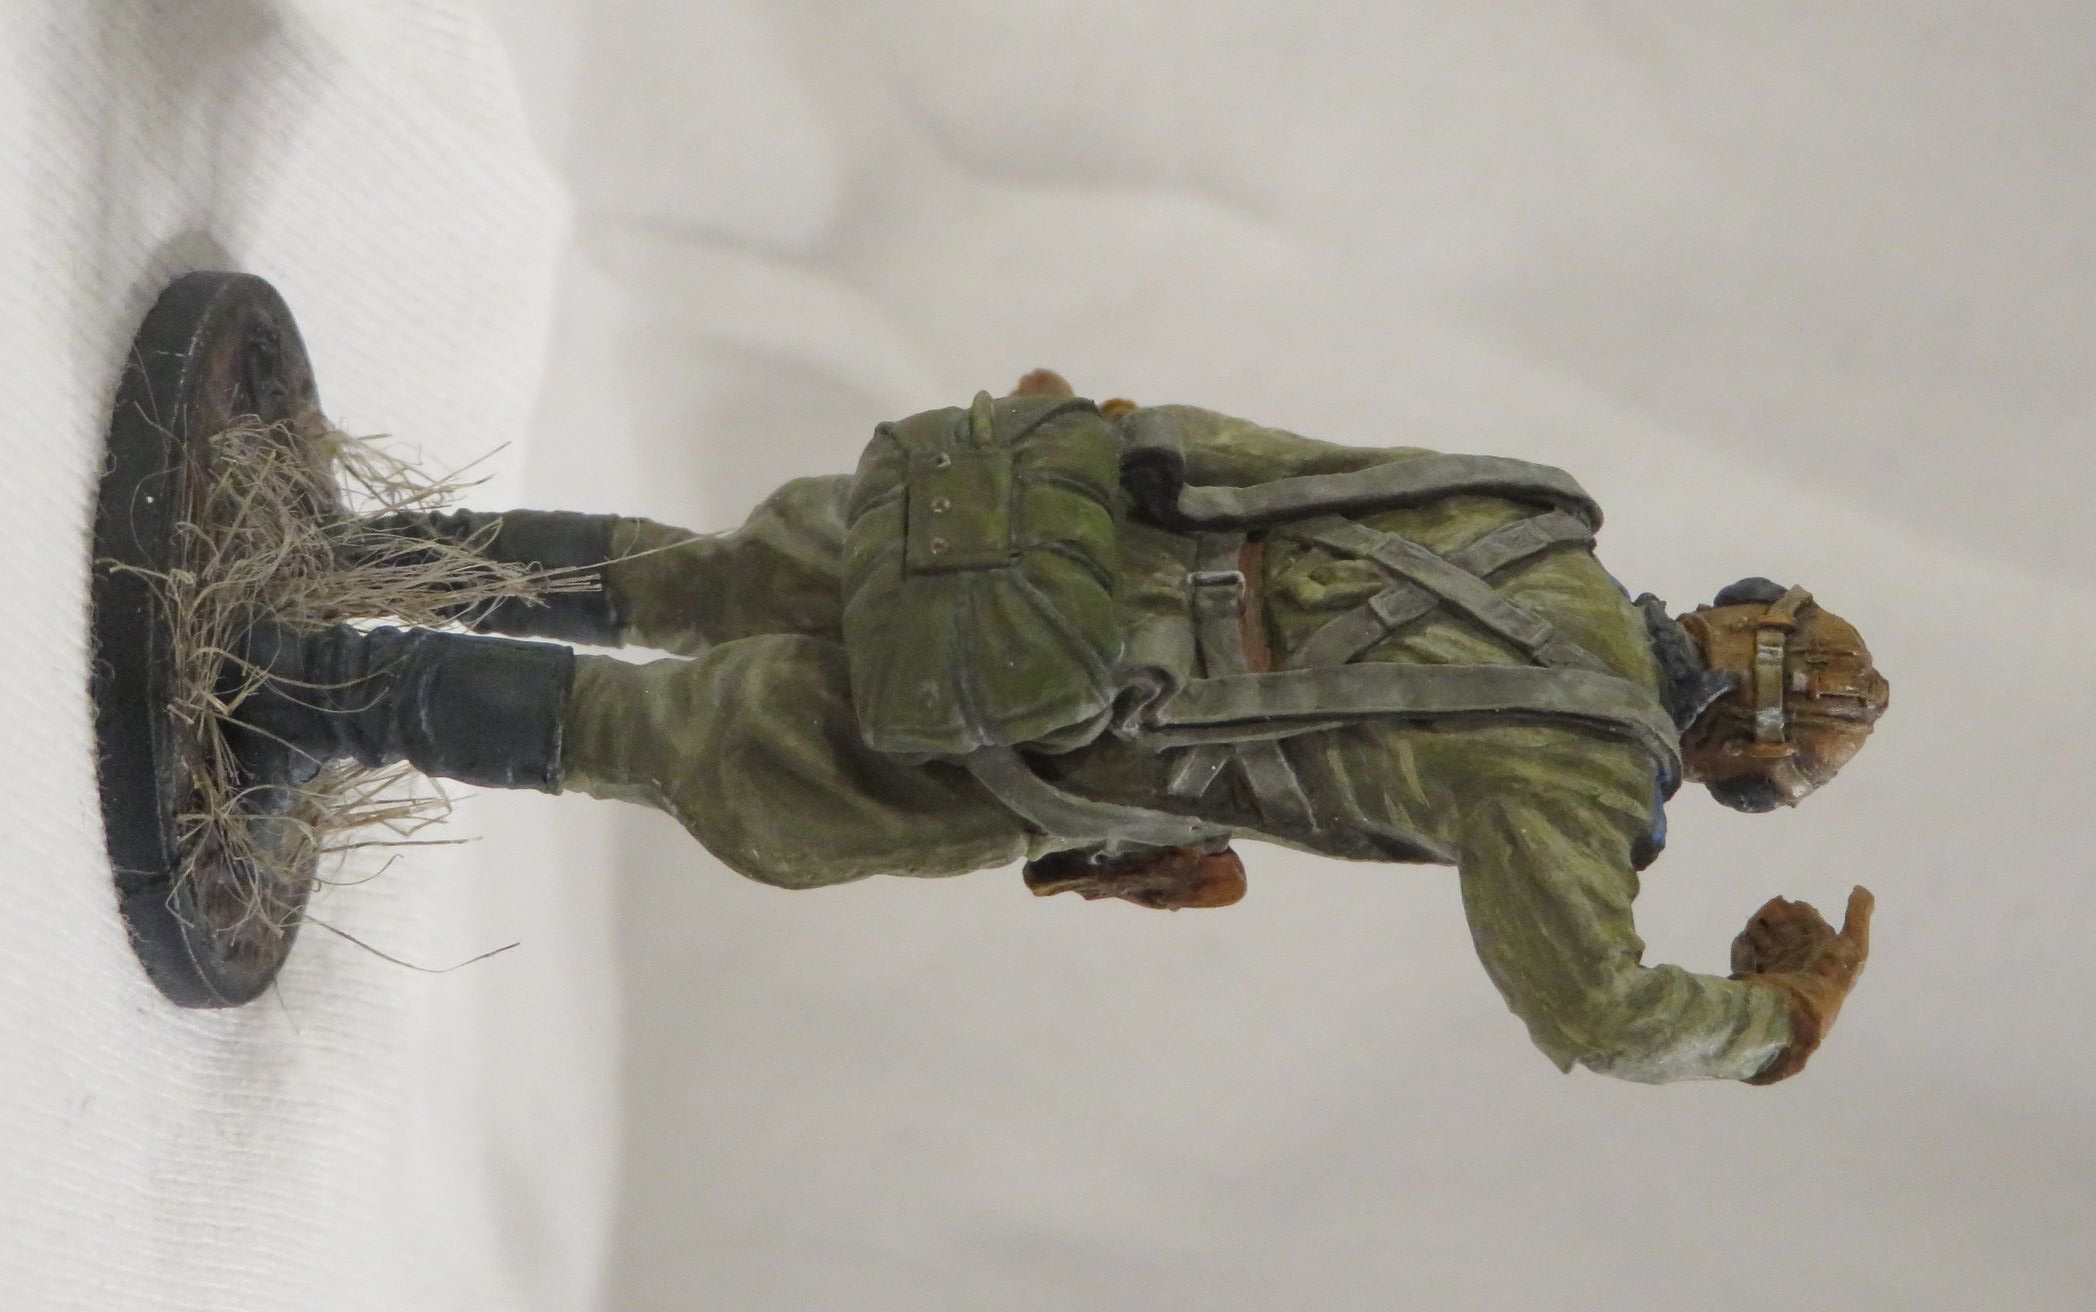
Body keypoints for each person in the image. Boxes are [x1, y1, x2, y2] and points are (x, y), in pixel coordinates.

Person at [233, 372, 1889, 1086]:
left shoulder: (1537, 513)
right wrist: (1773, 1023)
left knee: (686, 572)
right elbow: (1598, 1012)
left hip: (1017, 538)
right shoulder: (1574, 780)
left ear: (1726, 610)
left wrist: (1080, 435)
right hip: (1025, 720)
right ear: (1745, 767)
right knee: (660, 731)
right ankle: (289, 693)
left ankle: (328, 554)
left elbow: (1246, 458)